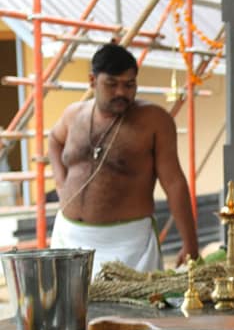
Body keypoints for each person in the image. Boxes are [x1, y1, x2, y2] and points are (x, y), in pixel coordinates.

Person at [47, 44, 198, 275]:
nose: (121, 92)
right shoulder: (73, 115)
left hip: (127, 243)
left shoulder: (154, 121)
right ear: (92, 81)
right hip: (68, 235)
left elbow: (174, 183)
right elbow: (54, 140)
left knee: (129, 311)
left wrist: (190, 242)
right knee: (69, 309)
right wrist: (60, 183)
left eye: (129, 85)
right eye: (112, 84)